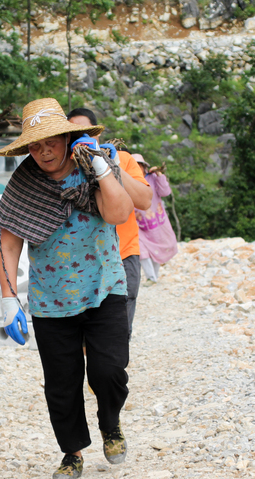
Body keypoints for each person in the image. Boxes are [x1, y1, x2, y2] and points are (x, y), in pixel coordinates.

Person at [0, 98, 133, 479]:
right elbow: (8, 244)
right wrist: (8, 299)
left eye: (50, 141)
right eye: (34, 145)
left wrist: (101, 167)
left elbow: (119, 213)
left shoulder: (95, 166)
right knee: (61, 385)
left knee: (109, 371)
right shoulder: (25, 180)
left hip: (105, 290)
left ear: (67, 137)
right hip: (51, 303)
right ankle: (72, 454)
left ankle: (111, 423)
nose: (43, 151)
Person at [66, 108, 152, 340]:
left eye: (87, 133)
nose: (81, 139)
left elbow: (144, 200)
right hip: (84, 260)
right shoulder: (65, 166)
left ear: (97, 134)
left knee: (118, 331)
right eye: (74, 136)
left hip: (124, 253)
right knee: (85, 332)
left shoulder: (123, 159)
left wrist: (109, 163)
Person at [132, 154, 178, 282]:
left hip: (157, 224)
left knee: (156, 250)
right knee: (142, 251)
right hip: (138, 225)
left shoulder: (152, 178)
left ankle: (154, 276)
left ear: (143, 167)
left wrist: (159, 175)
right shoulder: (128, 182)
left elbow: (165, 192)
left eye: (139, 166)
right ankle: (151, 277)